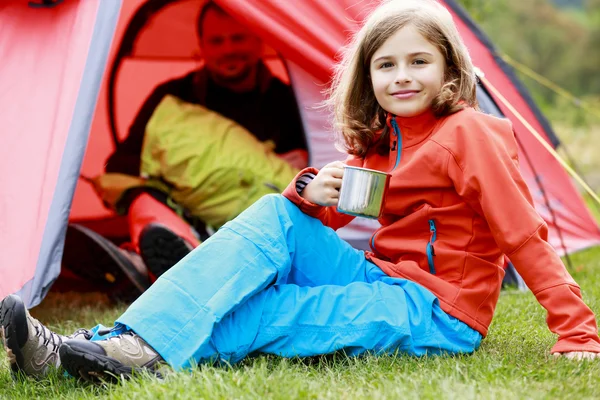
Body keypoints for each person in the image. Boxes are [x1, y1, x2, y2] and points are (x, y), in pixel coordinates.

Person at [3, 0, 599, 384]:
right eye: (386, 65)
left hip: (438, 311)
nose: (403, 77)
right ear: (368, 76)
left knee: (267, 312)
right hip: (379, 276)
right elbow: (328, 221)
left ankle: (111, 355)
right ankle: (102, 346)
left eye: (420, 61)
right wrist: (314, 192)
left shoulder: (470, 133)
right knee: (273, 212)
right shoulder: (382, 138)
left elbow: (522, 232)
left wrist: (576, 331)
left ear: (451, 71)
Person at [65, 1, 308, 291]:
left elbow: (318, 171)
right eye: (217, 41)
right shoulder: (170, 98)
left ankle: (146, 268)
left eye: (238, 38)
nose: (228, 49)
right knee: (140, 197)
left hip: (252, 212)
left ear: (258, 42)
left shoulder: (290, 102)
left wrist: (304, 160)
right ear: (202, 47)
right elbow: (120, 167)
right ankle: (173, 256)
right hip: (184, 208)